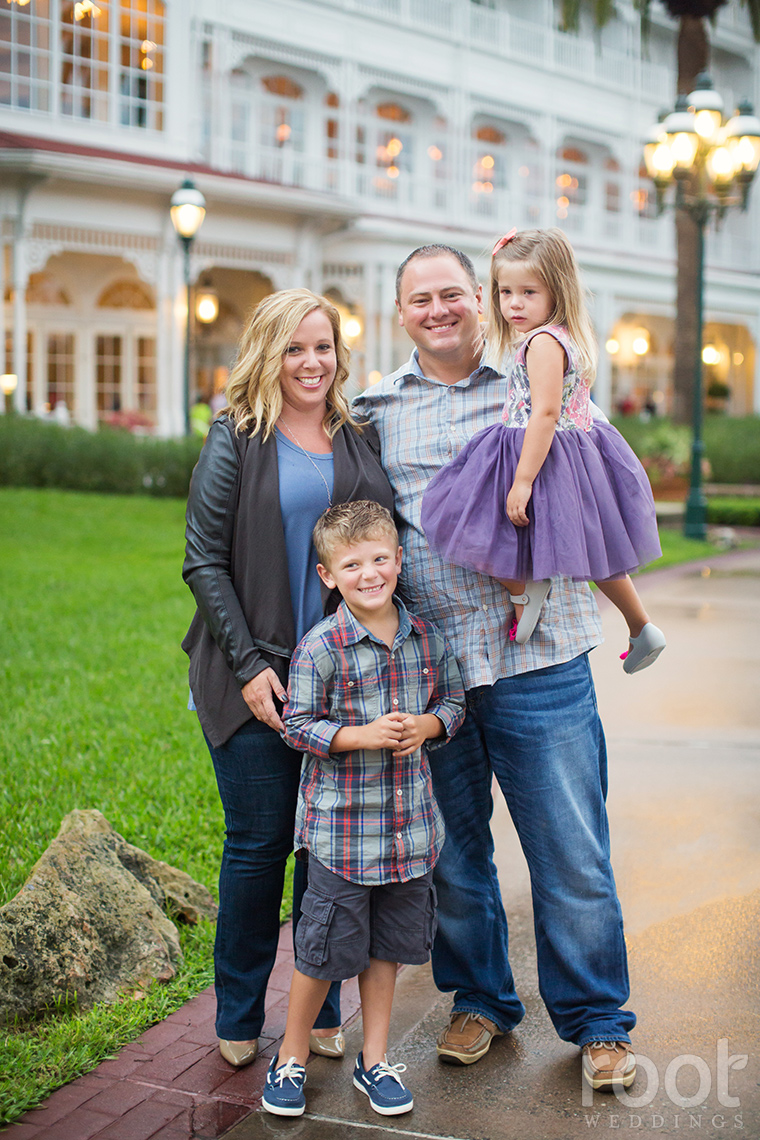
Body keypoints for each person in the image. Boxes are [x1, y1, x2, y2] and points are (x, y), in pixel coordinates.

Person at [353, 244, 638, 1093]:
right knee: (452, 855)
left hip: (537, 660)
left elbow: (592, 487)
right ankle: (481, 1001)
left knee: (570, 849)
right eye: (419, 299)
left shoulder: (530, 382)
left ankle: (598, 1026)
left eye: (452, 294)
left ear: (479, 299)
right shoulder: (372, 410)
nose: (438, 310)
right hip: (434, 676)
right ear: (400, 312)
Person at [181, 289, 395, 1070]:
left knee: (329, 858)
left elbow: (381, 546)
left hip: (341, 687)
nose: (312, 363)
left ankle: (324, 1007)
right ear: (268, 354)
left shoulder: (358, 434)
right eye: (295, 348)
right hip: (254, 678)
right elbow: (201, 559)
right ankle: (239, 1016)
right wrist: (248, 669)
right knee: (259, 847)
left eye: (324, 347)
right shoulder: (237, 437)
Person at [261, 501, 465, 1118]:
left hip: (408, 834)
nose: (369, 573)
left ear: (399, 560)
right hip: (343, 837)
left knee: (387, 951)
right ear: (329, 576)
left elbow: (454, 702)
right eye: (352, 564)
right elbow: (295, 726)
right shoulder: (322, 648)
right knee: (322, 951)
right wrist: (361, 735)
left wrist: (427, 725)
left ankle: (374, 1061)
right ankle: (290, 1056)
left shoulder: (425, 637)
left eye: (380, 558)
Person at [421, 227, 665, 672]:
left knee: (471, 517)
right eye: (505, 291)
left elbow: (546, 413)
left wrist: (523, 479)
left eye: (528, 292)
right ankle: (639, 624)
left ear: (557, 290)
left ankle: (524, 592)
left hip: (542, 453)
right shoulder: (556, 336)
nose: (514, 303)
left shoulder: (542, 343)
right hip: (562, 452)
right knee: (591, 551)